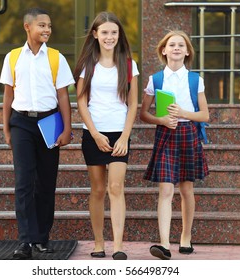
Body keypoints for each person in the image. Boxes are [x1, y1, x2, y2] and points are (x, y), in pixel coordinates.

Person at [0, 7, 74, 259]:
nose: (47, 30)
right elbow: (8, 95)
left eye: (49, 26)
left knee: (45, 182)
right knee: (23, 183)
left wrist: (67, 127)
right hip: (21, 123)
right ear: (27, 27)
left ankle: (41, 238)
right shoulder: (12, 57)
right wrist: (6, 127)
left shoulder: (56, 58)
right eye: (42, 25)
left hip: (49, 122)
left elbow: (63, 95)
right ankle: (25, 241)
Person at [74, 11, 139, 260]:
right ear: (95, 34)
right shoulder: (87, 65)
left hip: (119, 132)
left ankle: (118, 246)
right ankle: (99, 243)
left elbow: (133, 105)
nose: (109, 36)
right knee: (98, 189)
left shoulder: (130, 64)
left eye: (114, 32)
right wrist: (95, 134)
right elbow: (81, 103)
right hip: (94, 133)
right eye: (104, 32)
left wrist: (124, 137)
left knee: (116, 186)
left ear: (119, 34)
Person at [140, 30, 209, 260]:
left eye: (181, 45)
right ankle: (164, 244)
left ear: (187, 51)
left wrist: (182, 113)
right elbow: (143, 113)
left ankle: (186, 237)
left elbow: (205, 115)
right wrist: (160, 120)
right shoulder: (156, 79)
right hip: (166, 134)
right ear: (164, 50)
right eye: (172, 45)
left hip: (188, 133)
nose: (176, 48)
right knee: (166, 189)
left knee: (186, 189)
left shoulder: (195, 79)